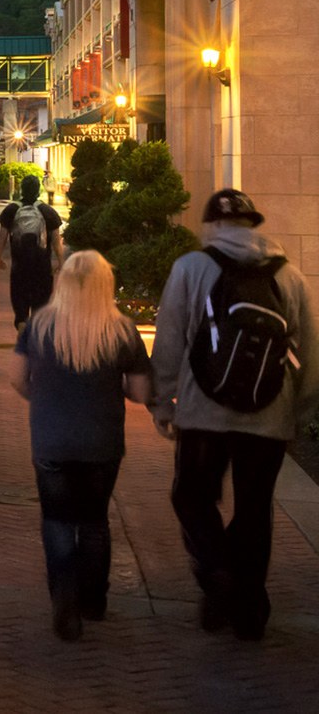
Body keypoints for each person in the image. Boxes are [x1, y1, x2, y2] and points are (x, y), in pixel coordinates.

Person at [149, 188, 316, 641]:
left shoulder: (190, 268)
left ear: (210, 226)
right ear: (253, 226)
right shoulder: (291, 277)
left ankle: (218, 573)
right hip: (269, 417)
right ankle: (249, 610)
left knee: (192, 497)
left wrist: (163, 402)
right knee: (255, 509)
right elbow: (310, 354)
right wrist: (297, 412)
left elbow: (168, 342)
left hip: (204, 414)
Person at [7, 249, 152, 639]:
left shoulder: (38, 327)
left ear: (63, 282)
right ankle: (93, 600)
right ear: (108, 285)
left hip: (51, 441)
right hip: (102, 444)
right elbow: (139, 392)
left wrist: (45, 398)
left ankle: (65, 599)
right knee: (93, 522)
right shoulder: (122, 331)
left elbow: (18, 379)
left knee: (56, 521)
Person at [0, 175, 62, 331]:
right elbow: (56, 241)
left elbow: (2, 237)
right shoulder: (48, 211)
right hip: (42, 268)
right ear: (39, 190)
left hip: (19, 267)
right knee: (41, 304)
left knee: (20, 301)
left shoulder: (11, 210)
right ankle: (35, 335)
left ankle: (22, 325)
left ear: (21, 189)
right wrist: (60, 261)